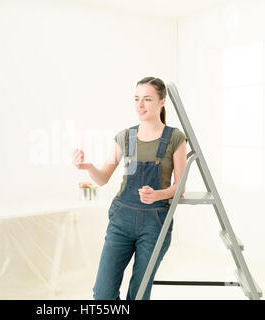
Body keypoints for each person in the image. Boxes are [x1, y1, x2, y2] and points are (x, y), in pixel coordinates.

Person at [72, 77, 187, 300]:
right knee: (103, 295)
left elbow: (179, 188)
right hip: (121, 219)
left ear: (162, 102)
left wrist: (157, 195)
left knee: (139, 294)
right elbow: (103, 178)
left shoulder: (175, 138)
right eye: (136, 99)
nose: (140, 105)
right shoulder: (125, 136)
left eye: (147, 99)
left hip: (155, 224)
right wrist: (87, 166)